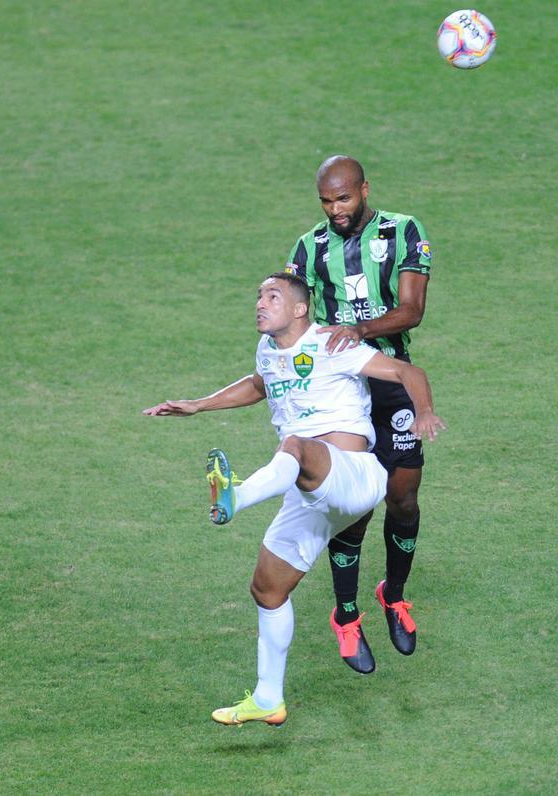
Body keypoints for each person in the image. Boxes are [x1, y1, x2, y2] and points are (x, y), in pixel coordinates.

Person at [143, 272, 445, 726]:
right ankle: (268, 697)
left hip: (354, 475)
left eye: (272, 296)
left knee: (296, 445)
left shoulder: (331, 344)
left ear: (300, 309)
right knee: (267, 589)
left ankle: (237, 497)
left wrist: (423, 411)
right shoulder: (268, 351)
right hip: (313, 495)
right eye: (258, 297)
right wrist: (198, 405)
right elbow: (259, 383)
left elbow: (407, 371)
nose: (260, 304)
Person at [284, 155, 433, 672]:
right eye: (326, 201)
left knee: (404, 495)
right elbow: (293, 314)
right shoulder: (307, 248)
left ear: (364, 189)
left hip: (389, 375)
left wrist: (359, 332)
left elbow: (412, 310)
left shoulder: (403, 231)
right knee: (353, 506)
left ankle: (393, 594)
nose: (335, 210)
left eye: (343, 199)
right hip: (337, 389)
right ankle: (346, 615)